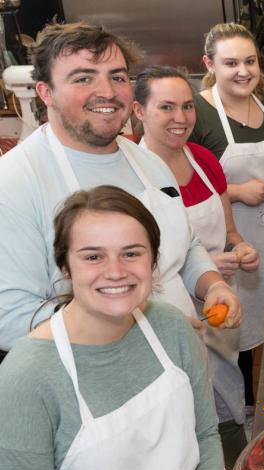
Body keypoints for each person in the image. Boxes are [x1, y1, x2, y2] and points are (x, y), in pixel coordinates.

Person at [0, 22, 241, 363]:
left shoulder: (148, 162)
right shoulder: (15, 182)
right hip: (97, 377)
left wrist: (212, 284)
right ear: (45, 92)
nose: (108, 92)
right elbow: (9, 318)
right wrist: (135, 331)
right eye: (83, 78)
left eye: (117, 76)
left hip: (182, 360)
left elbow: (184, 244)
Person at [0, 185, 224, 470]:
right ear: (65, 267)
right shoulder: (26, 378)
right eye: (93, 257)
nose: (116, 272)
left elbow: (205, 436)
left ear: (152, 260)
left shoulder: (172, 328)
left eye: (131, 253)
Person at [133, 65, 259, 467]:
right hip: (163, 313)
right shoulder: (130, 174)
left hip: (218, 304)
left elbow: (230, 231)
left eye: (187, 106)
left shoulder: (203, 159)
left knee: (225, 400)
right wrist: (200, 267)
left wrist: (240, 250)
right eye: (166, 107)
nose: (181, 118)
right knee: (183, 415)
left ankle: (236, 468)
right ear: (139, 111)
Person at [190, 22, 264, 412]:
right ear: (210, 63)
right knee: (234, 332)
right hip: (230, 242)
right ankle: (243, 412)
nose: (243, 71)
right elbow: (185, 180)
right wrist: (238, 192)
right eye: (231, 63)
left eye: (250, 61)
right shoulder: (198, 113)